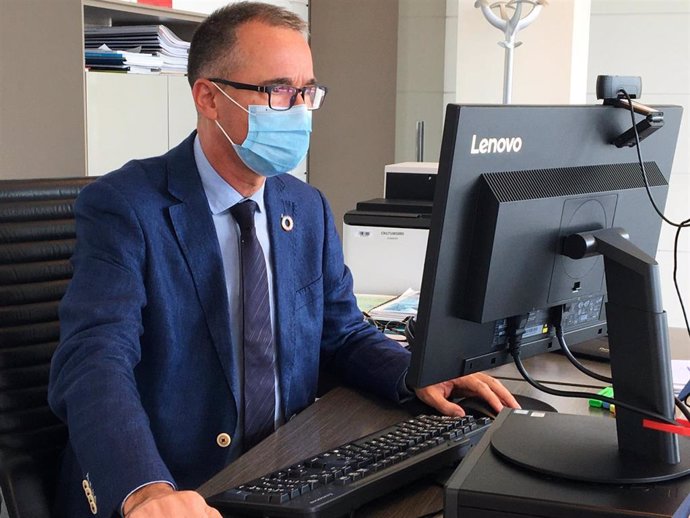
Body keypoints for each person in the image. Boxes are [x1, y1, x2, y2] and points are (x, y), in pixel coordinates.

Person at [48, 2, 518, 517]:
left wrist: (418, 374)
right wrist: (145, 488)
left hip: (287, 475)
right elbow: (94, 361)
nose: (297, 109)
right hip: (179, 487)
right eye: (277, 90)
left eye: (306, 92)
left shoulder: (305, 206)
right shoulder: (125, 207)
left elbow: (342, 334)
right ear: (208, 97)